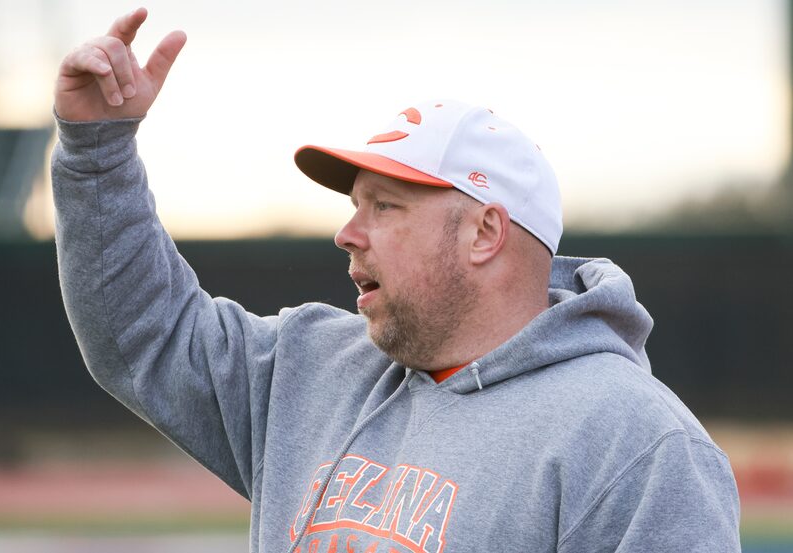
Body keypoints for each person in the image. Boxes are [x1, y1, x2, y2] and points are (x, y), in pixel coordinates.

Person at [52, 8, 741, 553]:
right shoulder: (306, 368)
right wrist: (96, 152)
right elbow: (144, 334)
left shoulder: (637, 443)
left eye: (386, 206)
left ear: (485, 233)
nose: (348, 232)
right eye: (355, 205)